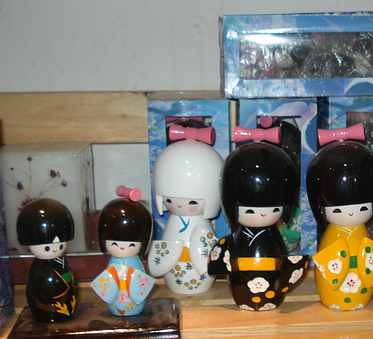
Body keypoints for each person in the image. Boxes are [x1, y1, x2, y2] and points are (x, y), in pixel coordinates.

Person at [209, 125, 308, 311]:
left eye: (274, 209)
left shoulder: (273, 234)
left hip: (272, 283)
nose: (262, 215)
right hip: (241, 284)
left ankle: (271, 297)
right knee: (242, 288)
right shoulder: (237, 238)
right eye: (249, 211)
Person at [306, 123, 373, 310]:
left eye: (362, 208)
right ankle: (332, 298)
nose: (351, 213)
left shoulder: (361, 231)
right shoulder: (334, 233)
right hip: (334, 285)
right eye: (337, 210)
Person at [148, 122, 223, 294]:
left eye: (193, 203)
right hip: (175, 272)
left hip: (201, 273)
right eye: (169, 201)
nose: (181, 205)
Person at [91, 186, 154, 316]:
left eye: (131, 244)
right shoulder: (114, 265)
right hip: (115, 304)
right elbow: (107, 286)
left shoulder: (133, 264)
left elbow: (139, 285)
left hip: (134, 302)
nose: (122, 248)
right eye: (114, 244)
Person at [17, 198, 77, 322]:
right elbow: (34, 290)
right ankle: (44, 314)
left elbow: (69, 280)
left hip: (65, 301)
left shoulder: (62, 263)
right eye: (47, 247)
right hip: (45, 304)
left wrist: (68, 282)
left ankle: (66, 312)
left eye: (60, 245)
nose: (54, 250)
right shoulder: (38, 268)